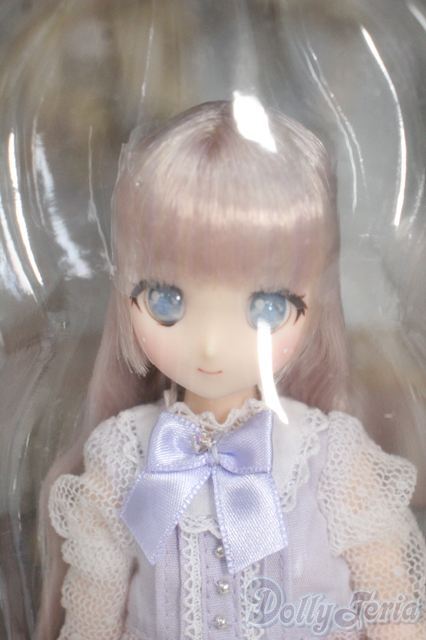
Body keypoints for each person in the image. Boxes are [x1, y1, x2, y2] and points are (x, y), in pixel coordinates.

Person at [41, 97, 426, 639]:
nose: (211, 346)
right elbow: (92, 616)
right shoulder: (124, 454)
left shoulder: (328, 455)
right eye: (167, 300)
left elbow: (391, 606)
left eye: (266, 307)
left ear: (317, 302)